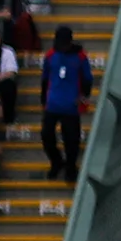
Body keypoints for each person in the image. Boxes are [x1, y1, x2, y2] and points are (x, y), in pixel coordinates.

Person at [41, 25, 92, 180]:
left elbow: (87, 78)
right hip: (53, 103)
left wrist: (83, 96)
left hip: (71, 105)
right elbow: (45, 78)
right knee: (46, 135)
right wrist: (44, 99)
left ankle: (71, 167)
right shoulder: (50, 55)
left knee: (71, 139)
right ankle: (56, 162)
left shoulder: (80, 57)